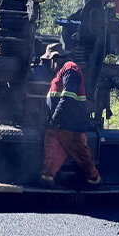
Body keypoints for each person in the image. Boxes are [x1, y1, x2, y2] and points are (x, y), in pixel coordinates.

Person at [40, 47, 101, 187]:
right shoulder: (60, 72)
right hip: (58, 124)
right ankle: (46, 179)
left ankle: (94, 180)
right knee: (51, 151)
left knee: (80, 152)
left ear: (56, 57)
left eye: (50, 61)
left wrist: (55, 116)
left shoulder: (70, 68)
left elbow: (68, 96)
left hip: (71, 123)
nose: (50, 64)